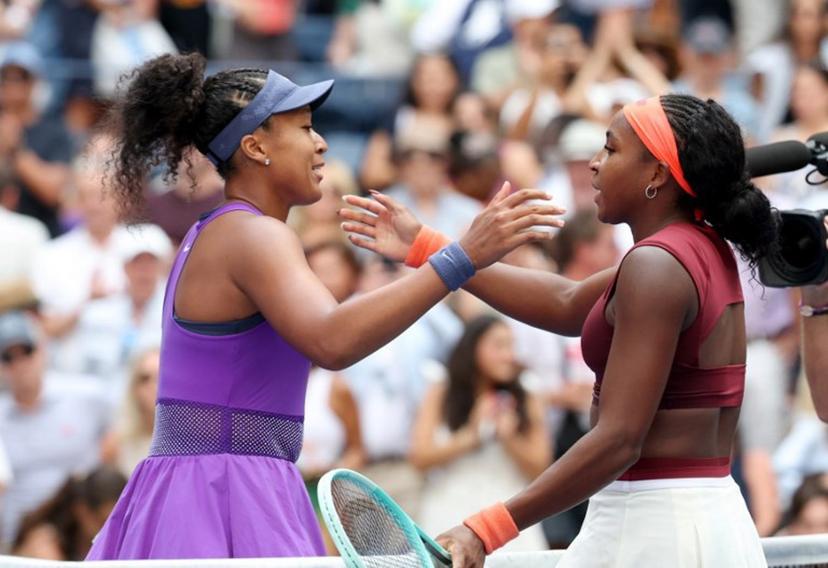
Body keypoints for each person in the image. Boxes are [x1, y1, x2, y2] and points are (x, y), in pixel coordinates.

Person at [84, 52, 563, 560]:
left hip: (216, 482)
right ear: (255, 146)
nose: (321, 143)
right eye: (305, 128)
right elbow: (333, 340)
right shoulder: (252, 234)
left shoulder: (228, 230)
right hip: (224, 487)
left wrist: (438, 253)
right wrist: (459, 257)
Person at [341, 93, 778, 566]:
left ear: (656, 174)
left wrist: (487, 529)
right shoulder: (695, 246)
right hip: (693, 517)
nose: (593, 164)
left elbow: (619, 439)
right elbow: (565, 303)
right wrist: (432, 246)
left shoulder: (657, 265)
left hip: (654, 526)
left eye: (610, 150)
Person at [411, 315, 550, 551]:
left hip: (506, 512)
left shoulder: (527, 392)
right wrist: (472, 435)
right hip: (450, 508)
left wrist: (509, 437)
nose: (508, 355)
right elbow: (419, 458)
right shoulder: (442, 388)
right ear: (473, 347)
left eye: (511, 346)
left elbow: (540, 466)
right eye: (499, 346)